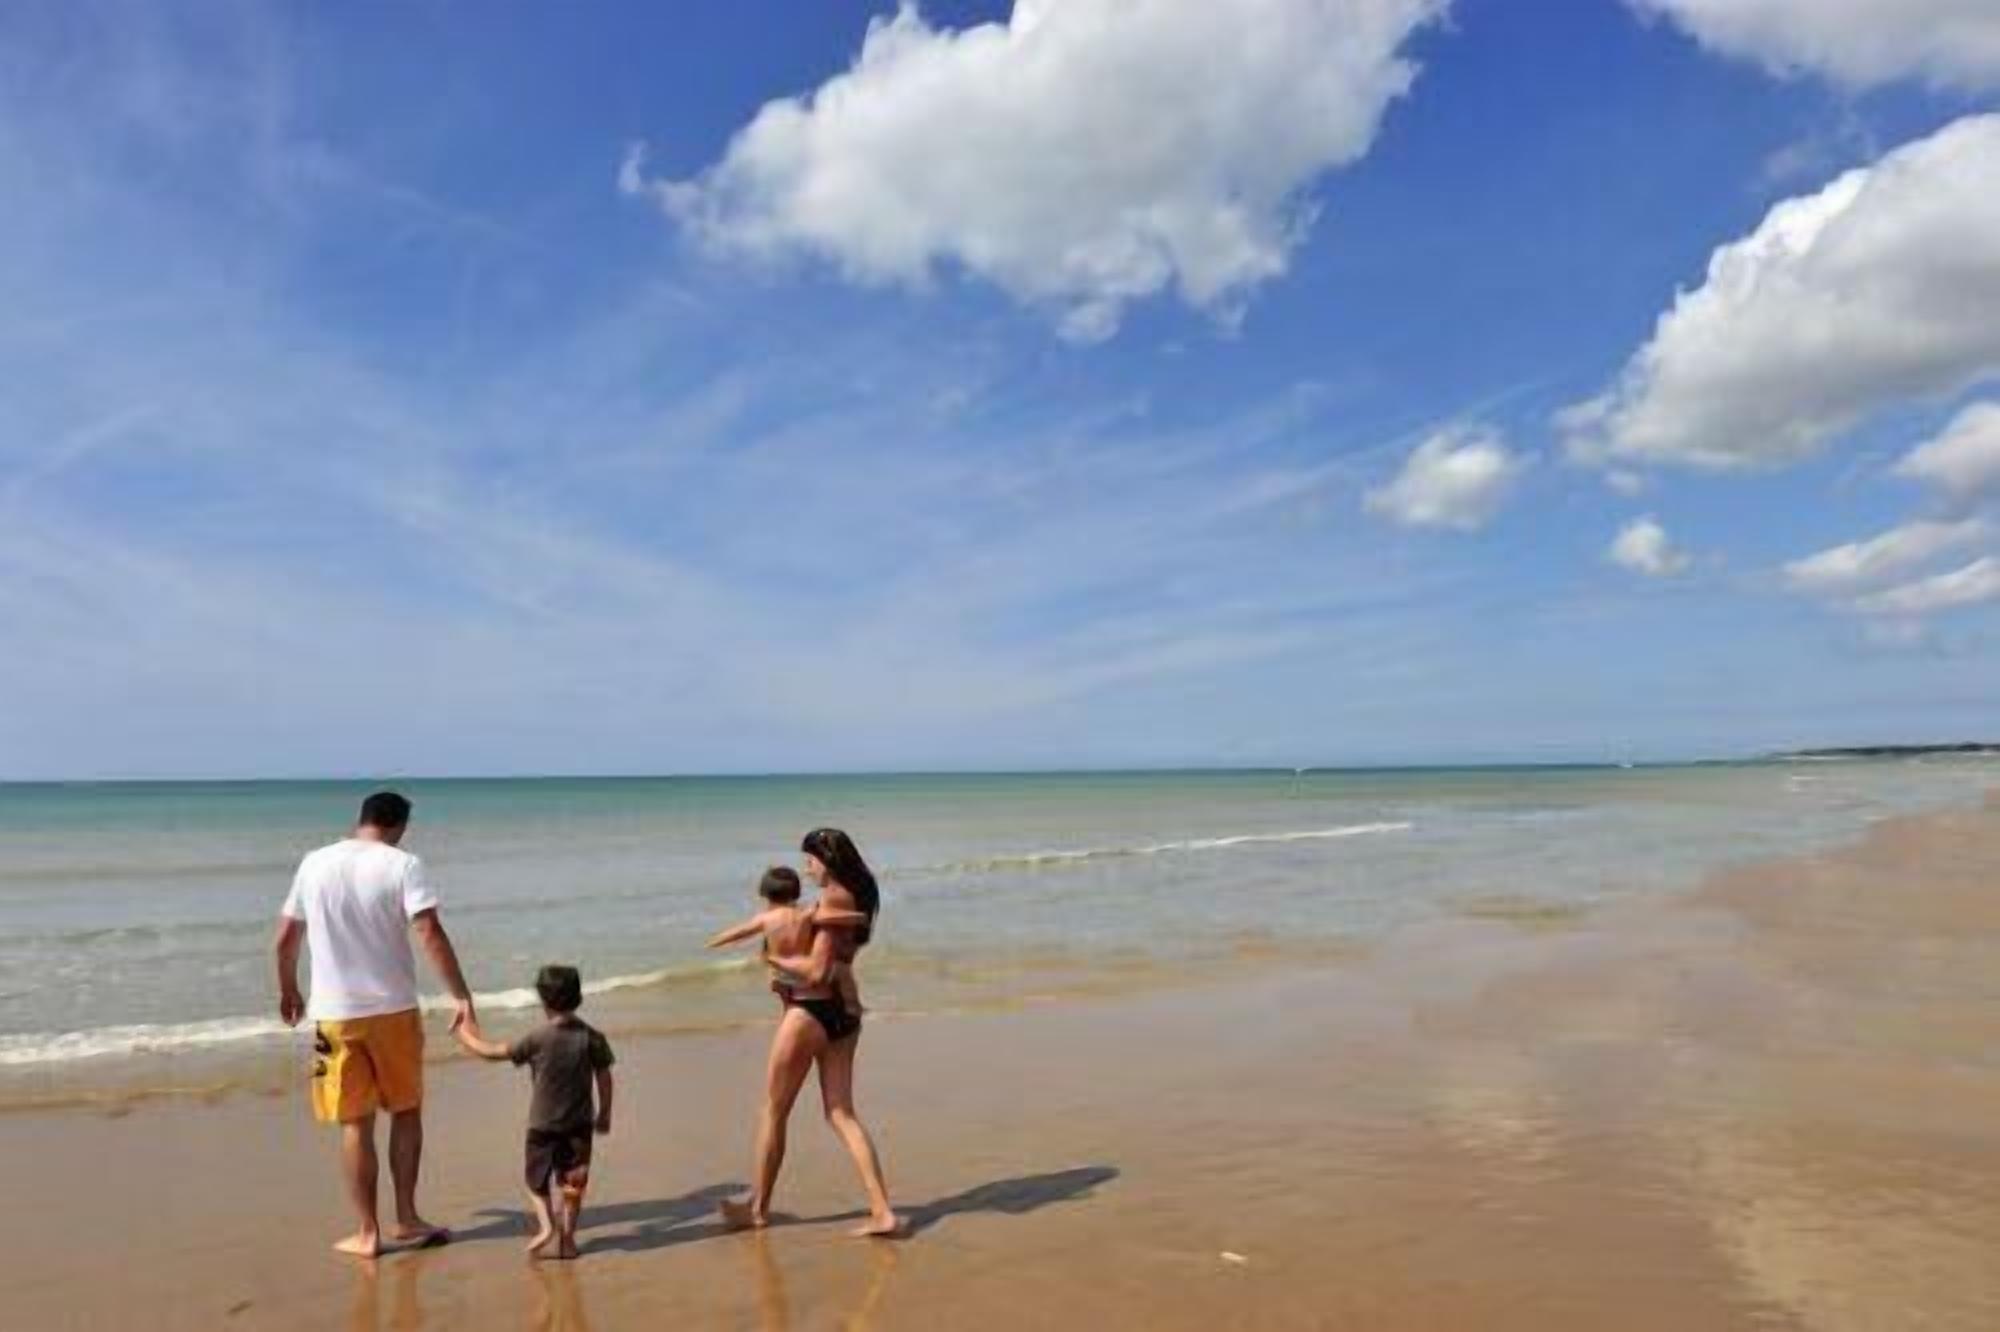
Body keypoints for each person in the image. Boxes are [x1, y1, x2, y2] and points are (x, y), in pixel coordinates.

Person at [272, 790, 477, 1257]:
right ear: (400, 826)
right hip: (394, 1011)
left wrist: (288, 989)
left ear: (360, 819)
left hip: (333, 1016)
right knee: (405, 1113)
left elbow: (285, 937)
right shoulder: (402, 864)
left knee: (354, 1124)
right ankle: (406, 1218)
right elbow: (428, 930)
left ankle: (367, 1233)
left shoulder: (314, 863)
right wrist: (460, 995)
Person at [720, 828, 902, 1238]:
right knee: (840, 1113)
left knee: (773, 1110)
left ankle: (758, 1209)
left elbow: (817, 970)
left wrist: (773, 959)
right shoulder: (859, 895)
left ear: (828, 859)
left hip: (811, 1011)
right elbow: (837, 961)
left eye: (810, 860)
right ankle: (882, 1210)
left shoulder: (835, 898)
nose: (807, 868)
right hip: (844, 1015)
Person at [453, 965, 616, 1260]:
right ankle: (567, 1240)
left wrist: (463, 1035)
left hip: (542, 1126)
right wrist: (605, 1114)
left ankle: (545, 1226)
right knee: (573, 1183)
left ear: (543, 1000)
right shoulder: (593, 1037)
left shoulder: (536, 1038)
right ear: (578, 997)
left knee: (535, 1181)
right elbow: (604, 1077)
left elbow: (492, 1053)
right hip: (580, 1126)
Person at [707, 866, 866, 1023]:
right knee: (836, 971)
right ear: (796, 892)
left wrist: (714, 942)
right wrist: (859, 917)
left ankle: (788, 1018)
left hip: (780, 975)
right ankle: (851, 1005)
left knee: (784, 996)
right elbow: (835, 917)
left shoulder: (766, 918)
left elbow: (739, 933)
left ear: (765, 894)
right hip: (803, 970)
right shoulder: (806, 913)